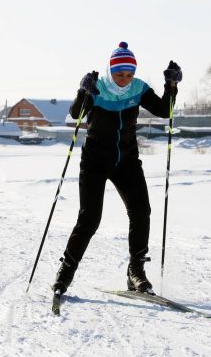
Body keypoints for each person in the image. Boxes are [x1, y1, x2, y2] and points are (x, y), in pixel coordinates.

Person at [51, 42, 182, 295]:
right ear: (111, 71)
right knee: (89, 220)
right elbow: (75, 114)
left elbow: (164, 111)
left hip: (127, 161)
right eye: (120, 74)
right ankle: (64, 274)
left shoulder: (139, 88)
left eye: (129, 74)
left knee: (141, 211)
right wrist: (83, 91)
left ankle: (136, 273)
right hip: (95, 162)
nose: (124, 79)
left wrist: (171, 85)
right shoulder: (97, 87)